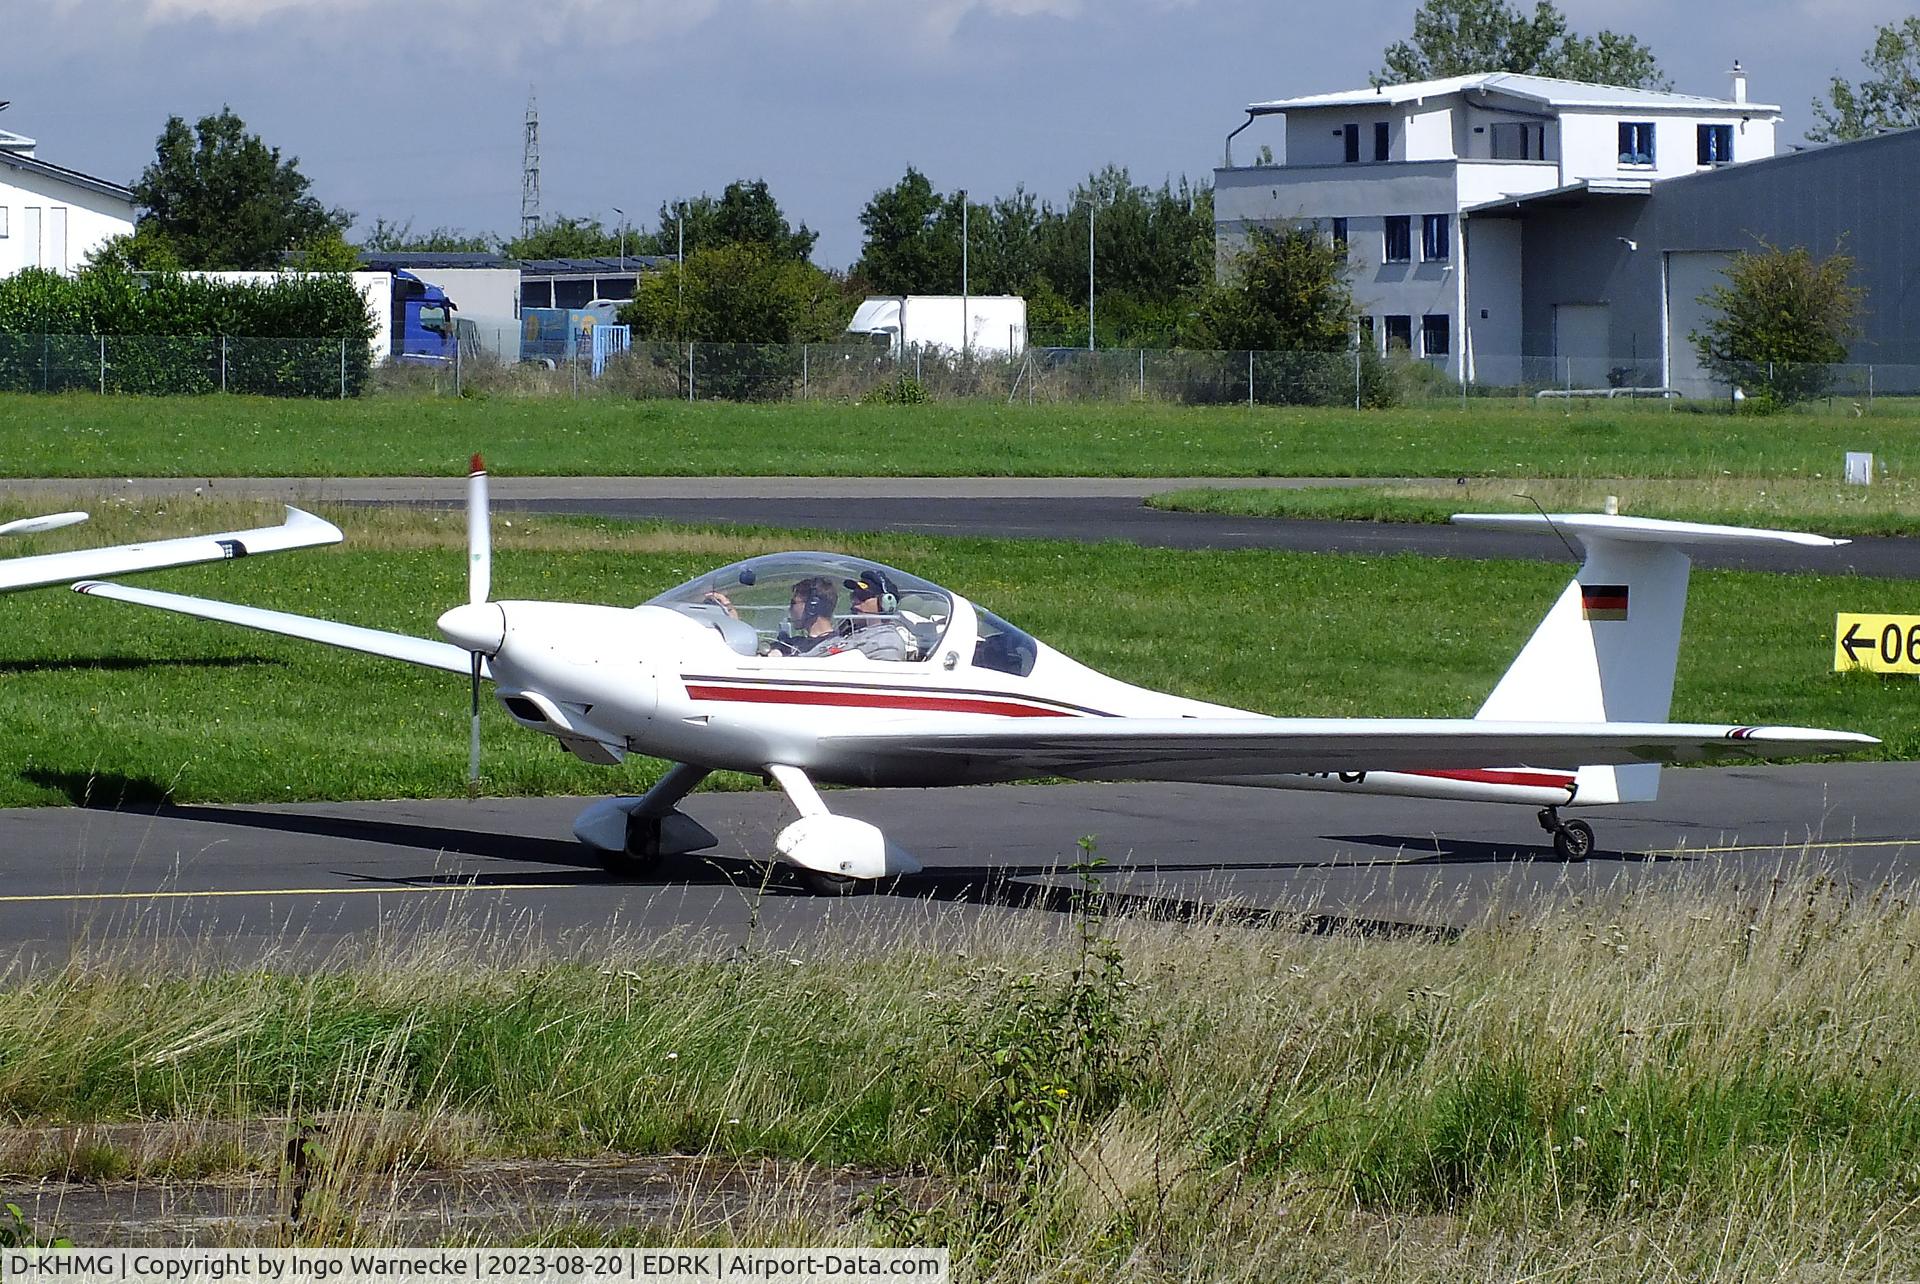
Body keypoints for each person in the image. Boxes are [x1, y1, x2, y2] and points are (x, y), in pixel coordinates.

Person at [766, 576, 840, 656]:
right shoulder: (795, 644)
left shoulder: (836, 648)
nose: (790, 608)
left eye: (794, 603)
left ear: (812, 607)